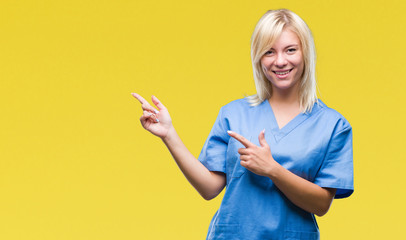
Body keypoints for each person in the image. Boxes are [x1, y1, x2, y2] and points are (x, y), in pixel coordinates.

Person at [132, 9, 353, 240]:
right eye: (269, 51)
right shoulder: (233, 114)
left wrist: (273, 170)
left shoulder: (333, 125)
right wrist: (169, 134)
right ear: (258, 57)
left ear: (305, 52)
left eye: (290, 50)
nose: (280, 61)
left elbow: (321, 204)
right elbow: (209, 189)